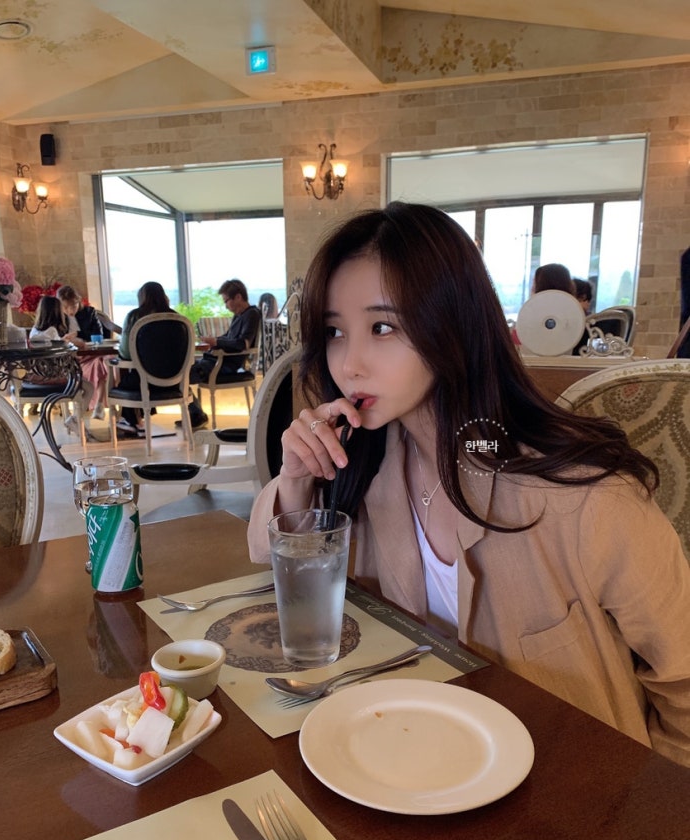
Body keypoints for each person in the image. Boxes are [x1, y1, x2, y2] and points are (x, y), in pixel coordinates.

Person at [247, 202, 690, 767]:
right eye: (335, 332)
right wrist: (294, 480)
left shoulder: (585, 496)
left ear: (453, 323)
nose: (349, 363)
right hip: (411, 764)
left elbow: (684, 683)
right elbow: (267, 559)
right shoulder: (364, 470)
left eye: (382, 327)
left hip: (577, 793)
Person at [184, 279, 261, 428]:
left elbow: (242, 344)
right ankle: (197, 414)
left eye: (226, 301)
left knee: (182, 377)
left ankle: (197, 414)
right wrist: (213, 341)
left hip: (225, 364)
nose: (226, 306)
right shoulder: (239, 316)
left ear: (238, 297)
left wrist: (216, 342)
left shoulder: (252, 314)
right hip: (216, 361)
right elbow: (228, 337)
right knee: (182, 373)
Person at [114, 281, 176, 437]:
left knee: (127, 380)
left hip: (144, 382)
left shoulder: (135, 316)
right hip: (175, 382)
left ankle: (130, 420)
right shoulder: (177, 317)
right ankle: (134, 421)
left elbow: (126, 353)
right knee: (137, 378)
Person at [56, 285, 108, 418]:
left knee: (100, 362)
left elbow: (98, 335)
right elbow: (56, 338)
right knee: (100, 364)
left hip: (90, 354)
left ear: (79, 302)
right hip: (71, 358)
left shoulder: (89, 312)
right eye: (65, 307)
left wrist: (78, 334)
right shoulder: (57, 317)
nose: (70, 310)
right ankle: (98, 406)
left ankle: (97, 406)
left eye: (73, 306)